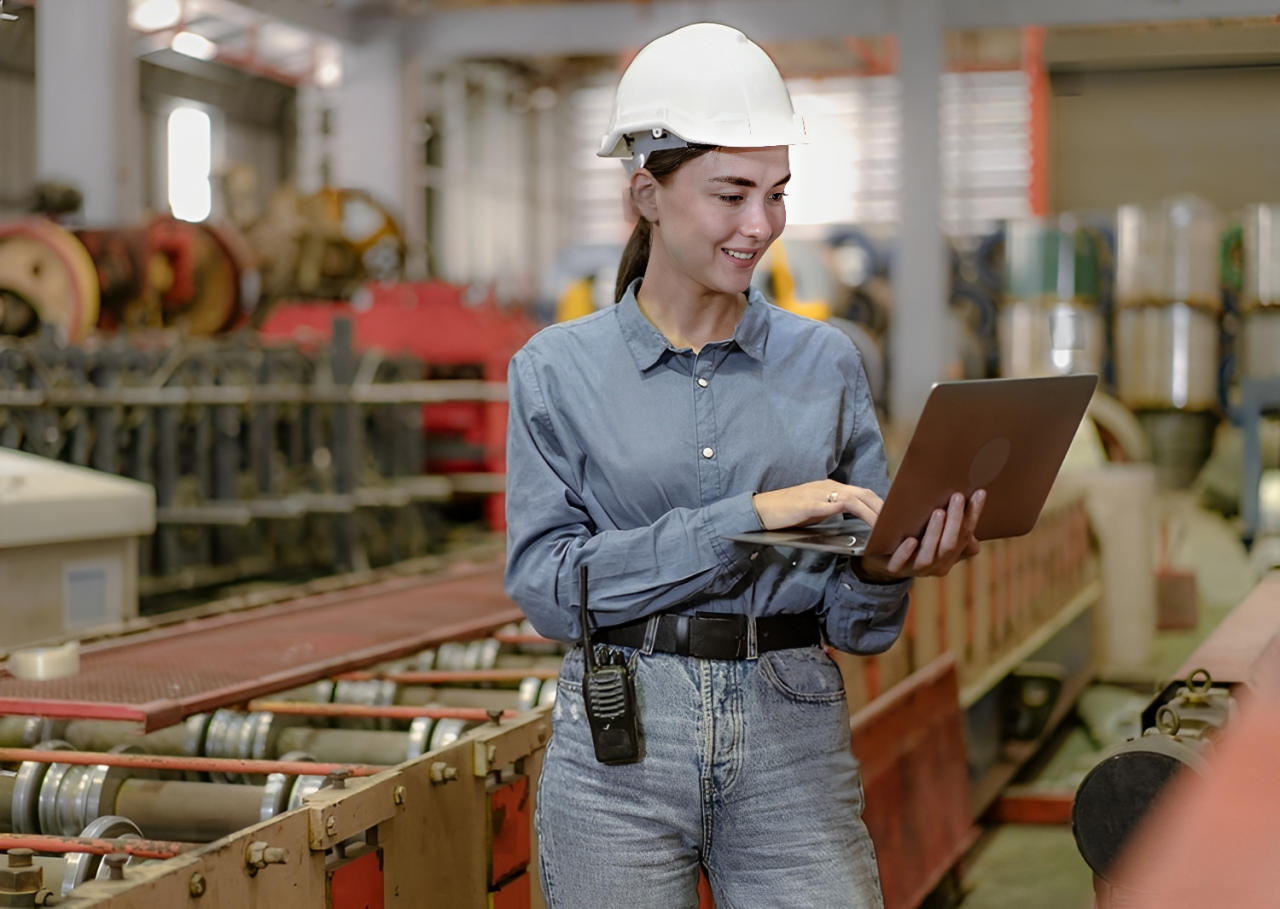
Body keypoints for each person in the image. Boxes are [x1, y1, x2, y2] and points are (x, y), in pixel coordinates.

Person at [504, 22, 983, 909]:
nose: (760, 225)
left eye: (776, 192)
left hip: (791, 723)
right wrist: (750, 514)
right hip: (620, 743)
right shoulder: (555, 370)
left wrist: (889, 564)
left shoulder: (826, 362)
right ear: (646, 193)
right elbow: (544, 586)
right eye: (730, 193)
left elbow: (857, 623)